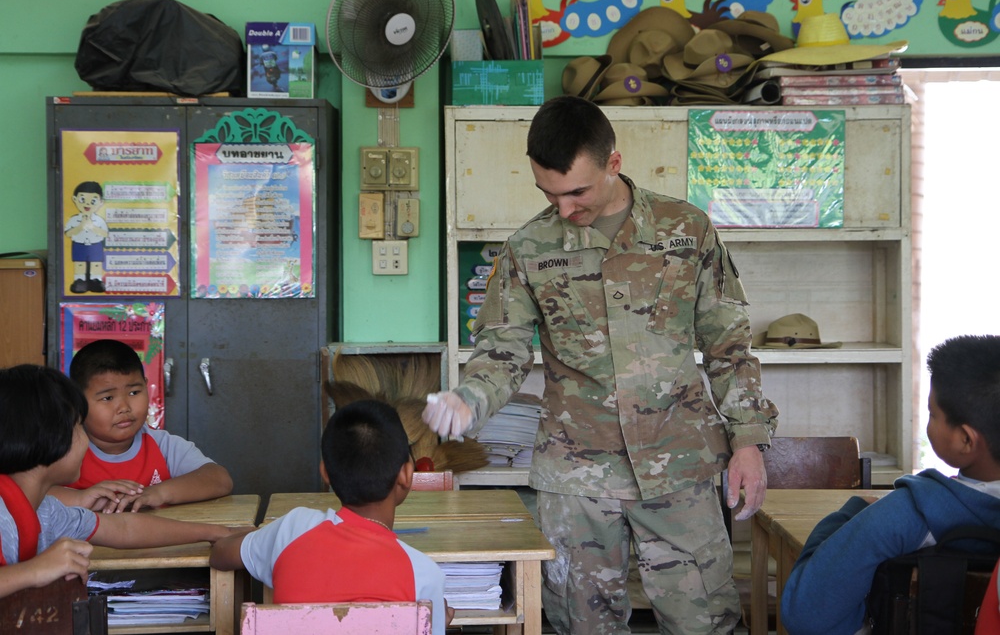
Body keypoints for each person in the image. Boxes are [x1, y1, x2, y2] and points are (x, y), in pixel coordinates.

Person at [422, 95, 778, 634]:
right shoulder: (529, 249)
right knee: (578, 626)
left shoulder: (687, 231)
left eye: (577, 192)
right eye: (548, 193)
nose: (565, 209)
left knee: (704, 621)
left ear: (614, 162)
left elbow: (728, 345)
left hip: (679, 465)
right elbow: (504, 351)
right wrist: (467, 399)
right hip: (577, 477)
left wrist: (748, 441)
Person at [782, 334, 1000, 634]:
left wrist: (851, 513)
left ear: (965, 439)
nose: (928, 422)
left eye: (932, 414)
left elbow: (806, 615)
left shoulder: (908, 514)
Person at [0, 364, 245, 599]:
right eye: (77, 427)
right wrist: (34, 571)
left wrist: (216, 533)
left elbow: (122, 528)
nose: (85, 440)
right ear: (50, 438)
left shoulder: (46, 511)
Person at [210, 399, 451, 634]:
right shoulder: (423, 575)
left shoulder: (291, 530)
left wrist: (258, 536)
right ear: (407, 474)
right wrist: (440, 621)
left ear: (325, 473)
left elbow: (221, 554)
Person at [48, 339, 232, 513]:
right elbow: (27, 489)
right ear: (76, 401)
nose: (124, 408)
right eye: (107, 398)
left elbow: (219, 479)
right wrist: (81, 498)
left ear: (146, 386)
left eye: (134, 392)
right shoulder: (63, 447)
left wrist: (159, 493)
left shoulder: (162, 445)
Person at [64, 180, 108, 294]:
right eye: (82, 199)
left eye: (93, 201)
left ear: (101, 202)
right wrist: (80, 226)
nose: (87, 204)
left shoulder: (99, 220)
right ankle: (80, 280)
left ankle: (96, 280)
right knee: (79, 263)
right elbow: (68, 233)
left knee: (96, 263)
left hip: (95, 245)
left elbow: (105, 233)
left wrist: (93, 227)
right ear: (75, 199)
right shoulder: (74, 219)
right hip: (79, 244)